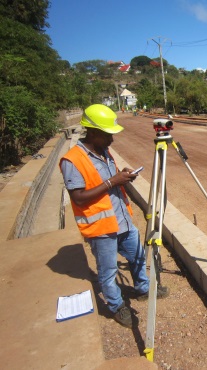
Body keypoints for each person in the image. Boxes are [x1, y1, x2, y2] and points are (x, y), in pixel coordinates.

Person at [59, 104, 169, 328]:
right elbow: (79, 197)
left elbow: (110, 183)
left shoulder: (104, 152)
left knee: (138, 256)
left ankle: (143, 288)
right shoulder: (72, 160)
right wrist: (112, 181)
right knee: (108, 272)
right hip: (101, 228)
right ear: (93, 132)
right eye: (108, 134)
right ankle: (117, 306)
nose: (112, 139)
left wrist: (122, 176)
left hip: (123, 220)